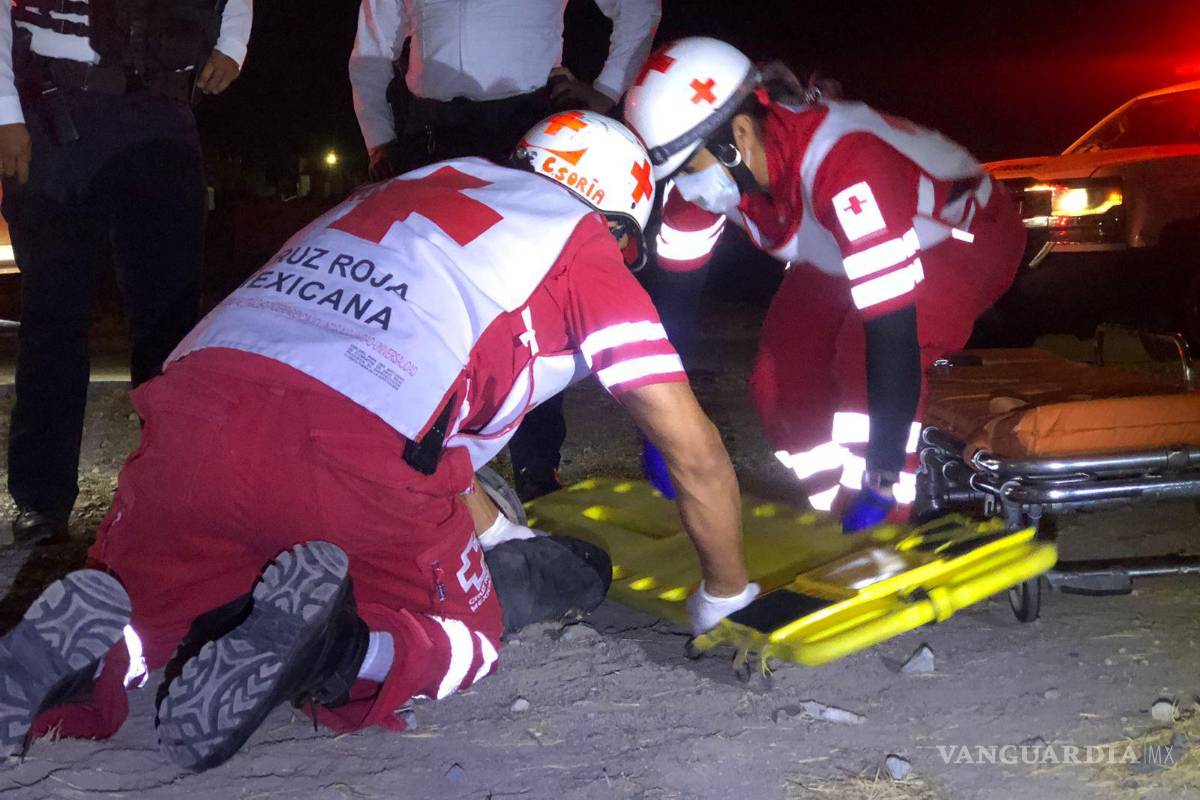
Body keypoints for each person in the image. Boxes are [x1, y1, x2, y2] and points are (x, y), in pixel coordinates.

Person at [0, 112, 757, 771]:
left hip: (196, 411)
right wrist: (727, 591)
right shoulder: (580, 243)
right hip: (356, 443)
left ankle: (104, 655)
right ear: (618, 221)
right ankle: (336, 654)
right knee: (467, 636)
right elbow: (692, 449)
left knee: (193, 586)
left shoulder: (410, 186)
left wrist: (503, 533)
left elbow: (421, 400)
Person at [623, 37, 1025, 531]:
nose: (684, 187)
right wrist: (662, 428)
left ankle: (885, 522)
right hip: (841, 244)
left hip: (961, 235)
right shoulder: (700, 181)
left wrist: (880, 477)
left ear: (740, 133)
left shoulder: (846, 164)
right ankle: (835, 519)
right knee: (778, 379)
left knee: (857, 359)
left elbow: (891, 336)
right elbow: (673, 315)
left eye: (688, 168)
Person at [349, 0, 662, 500]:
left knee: (533, 296)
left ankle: (538, 471)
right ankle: (427, 465)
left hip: (527, 126)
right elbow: (369, 51)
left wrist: (604, 92)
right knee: (421, 298)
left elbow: (638, 8)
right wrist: (380, 140)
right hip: (429, 133)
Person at [0, 0, 254, 545]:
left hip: (161, 115)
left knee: (171, 318)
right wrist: (3, 114)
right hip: (51, 110)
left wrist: (233, 41)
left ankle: (173, 488)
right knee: (52, 316)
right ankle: (42, 500)